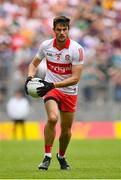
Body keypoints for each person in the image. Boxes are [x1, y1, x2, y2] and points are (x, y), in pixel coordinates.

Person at [25, 16, 84, 170]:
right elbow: (33, 64)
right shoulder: (46, 46)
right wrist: (30, 77)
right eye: (59, 29)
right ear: (54, 30)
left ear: (68, 30)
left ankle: (61, 156)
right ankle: (47, 156)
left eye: (65, 29)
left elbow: (75, 78)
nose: (62, 32)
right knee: (52, 118)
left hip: (69, 91)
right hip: (51, 89)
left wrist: (53, 83)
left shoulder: (77, 49)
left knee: (66, 130)